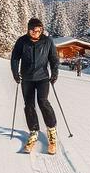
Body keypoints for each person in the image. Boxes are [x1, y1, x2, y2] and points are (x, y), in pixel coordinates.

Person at [11, 18, 59, 154]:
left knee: (43, 102)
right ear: (28, 29)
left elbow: (54, 59)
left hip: (42, 77)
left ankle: (52, 131)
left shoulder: (47, 41)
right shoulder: (22, 41)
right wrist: (15, 73)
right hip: (27, 78)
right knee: (29, 105)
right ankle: (33, 132)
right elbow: (15, 57)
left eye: (39, 30)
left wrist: (54, 73)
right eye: (33, 30)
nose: (36, 33)